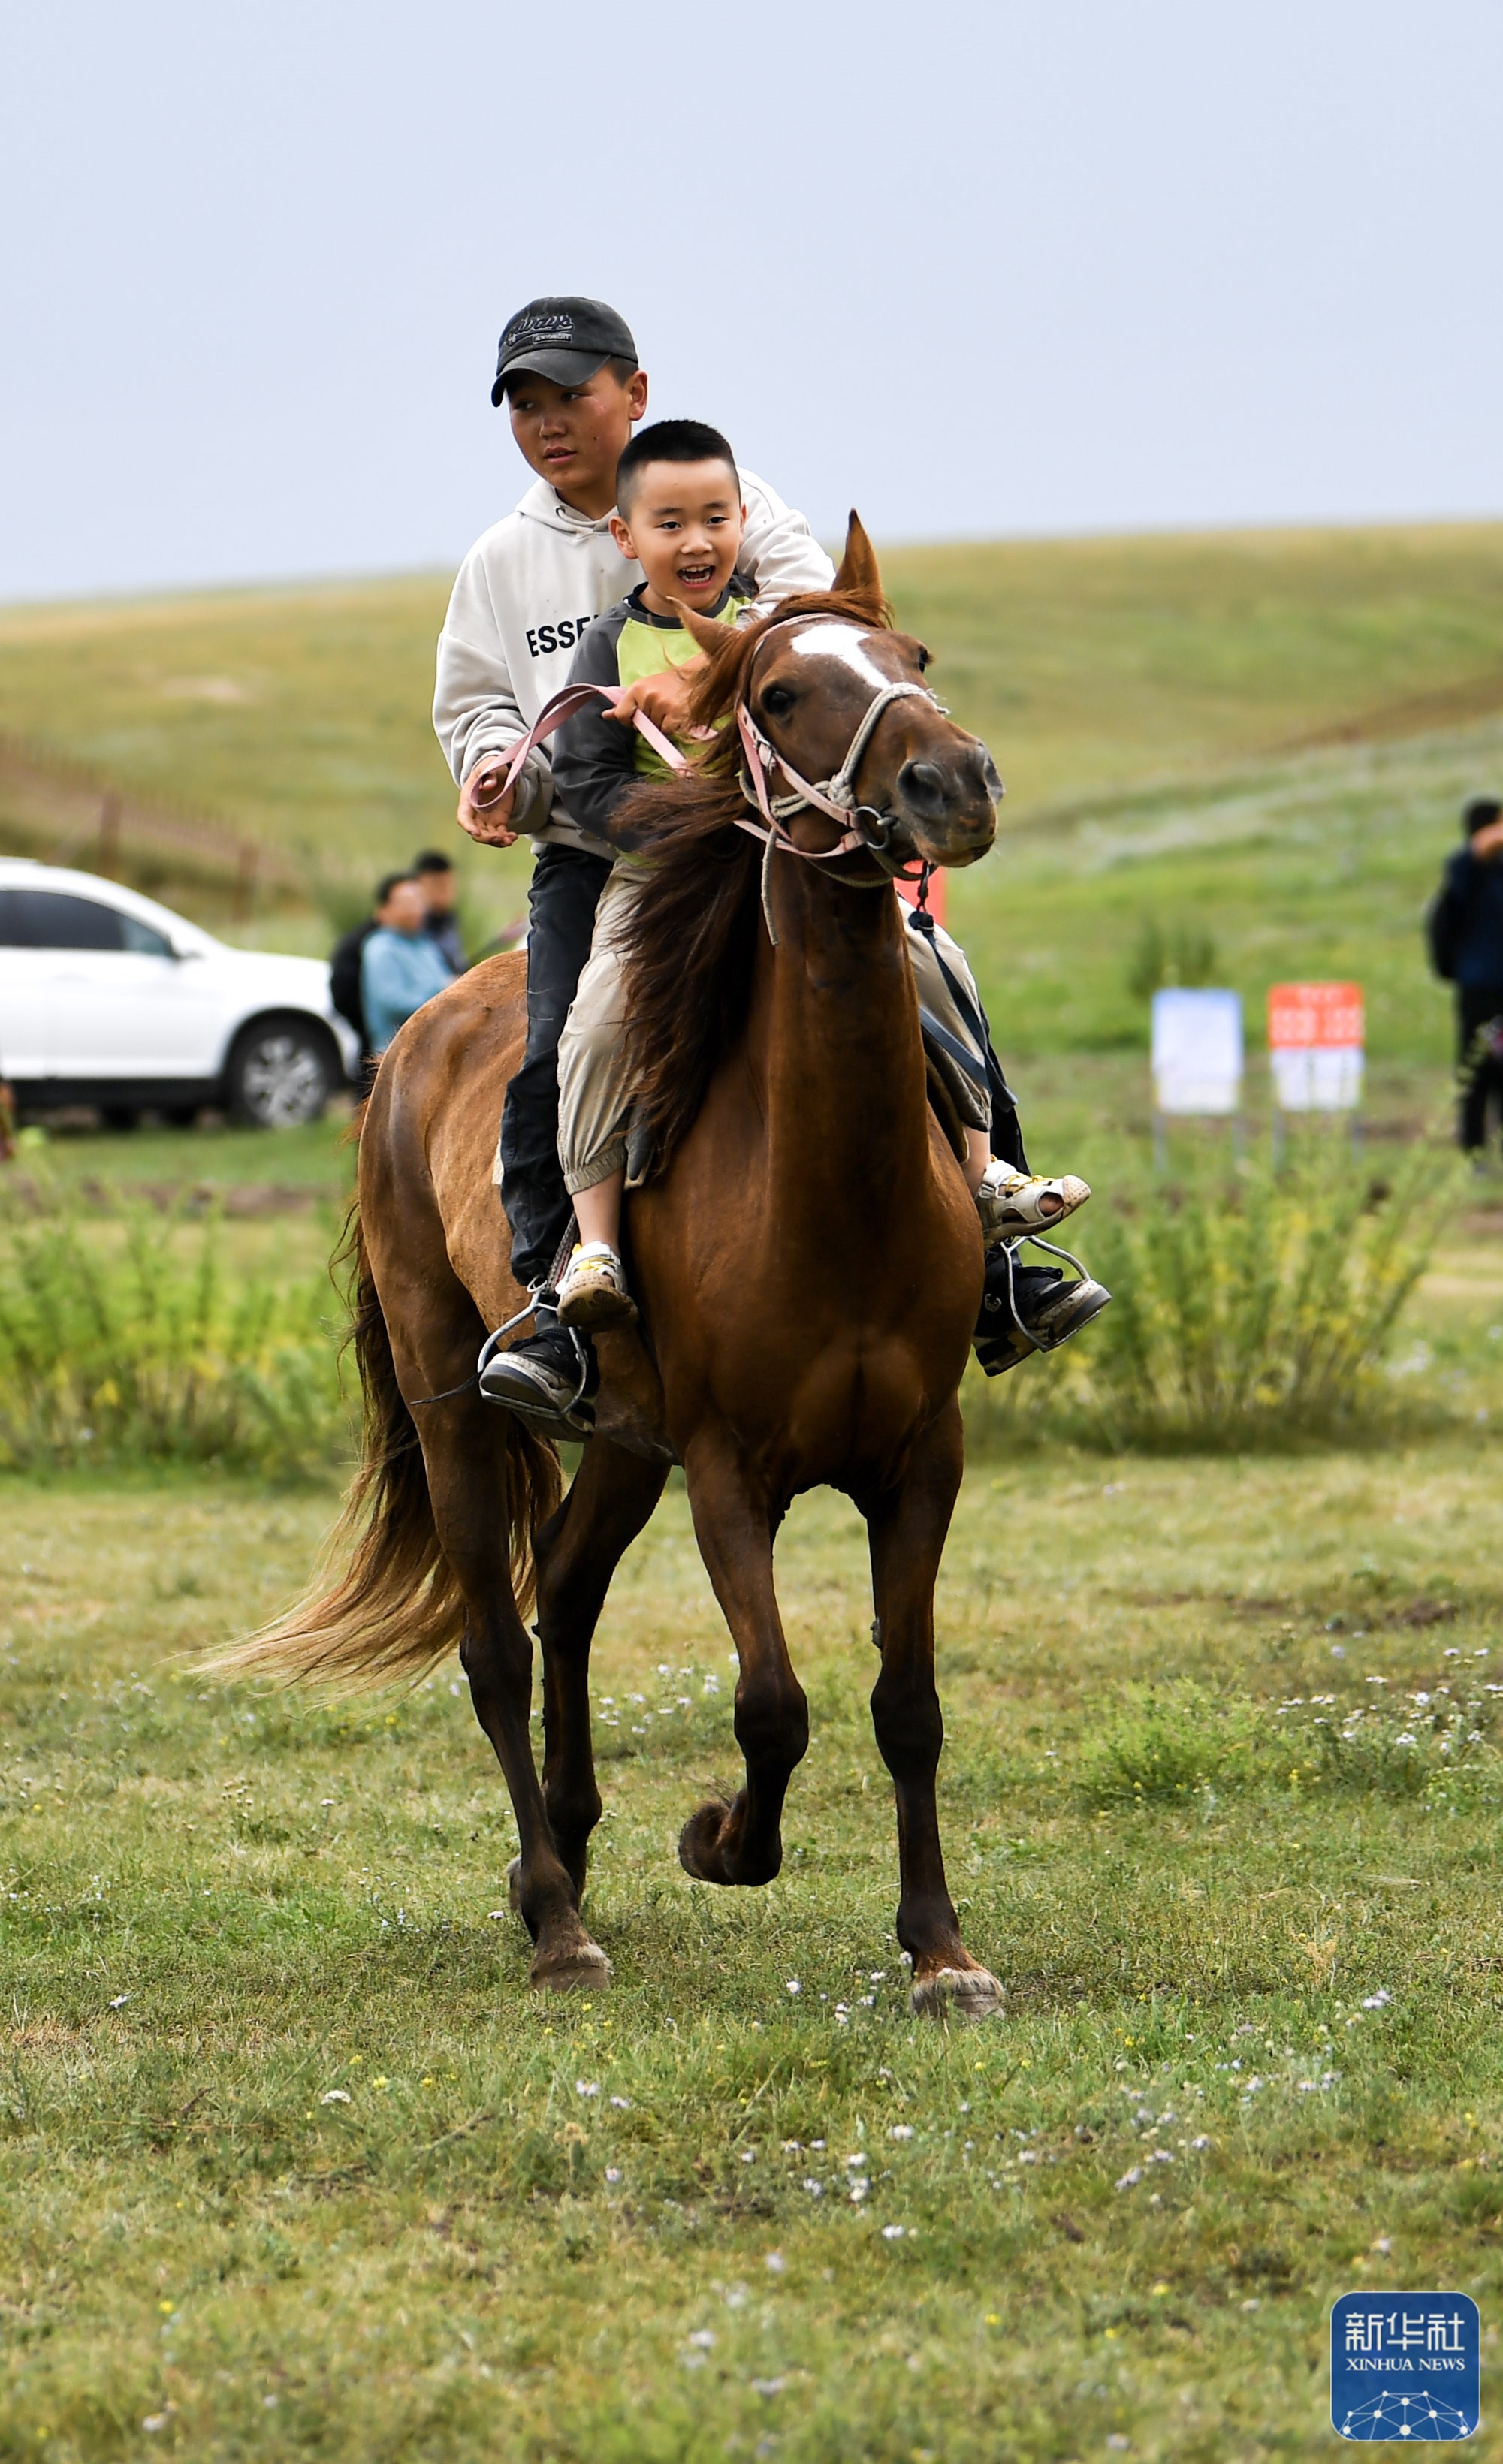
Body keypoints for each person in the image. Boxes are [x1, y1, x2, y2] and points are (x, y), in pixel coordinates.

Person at [477, 418, 1108, 1428]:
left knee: (936, 963)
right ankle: (583, 1258)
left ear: (743, 522)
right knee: (592, 1019)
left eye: (715, 519)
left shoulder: (783, 634)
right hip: (665, 881)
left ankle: (992, 1199)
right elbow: (592, 785)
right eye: (669, 523)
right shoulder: (608, 645)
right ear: (624, 537)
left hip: (792, 866)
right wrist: (681, 825)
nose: (695, 541)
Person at [433, 297, 837, 1335]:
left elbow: (818, 623)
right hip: (592, 853)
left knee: (915, 982)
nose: (548, 419)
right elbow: (481, 700)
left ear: (636, 392)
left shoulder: (723, 500)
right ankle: (546, 1297)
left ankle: (993, 1236)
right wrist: (495, 771)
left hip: (769, 842)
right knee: (552, 1045)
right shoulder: (500, 560)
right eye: (525, 402)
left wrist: (706, 680)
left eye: (573, 392)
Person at [1428, 794, 1503, 1152]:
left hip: (1493, 987)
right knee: (1476, 1071)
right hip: (1479, 990)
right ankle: (1473, 1150)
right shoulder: (1465, 872)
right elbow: (1452, 904)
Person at [359, 873, 454, 1058]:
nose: (415, 909)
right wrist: (442, 992)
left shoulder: (424, 944)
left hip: (434, 1049)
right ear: (383, 911)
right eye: (406, 903)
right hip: (398, 1054)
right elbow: (391, 1003)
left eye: (419, 901)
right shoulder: (380, 948)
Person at [412, 850, 466, 973]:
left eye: (449, 885)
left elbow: (458, 967)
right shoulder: (411, 927)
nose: (446, 893)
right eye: (438, 886)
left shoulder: (449, 921)